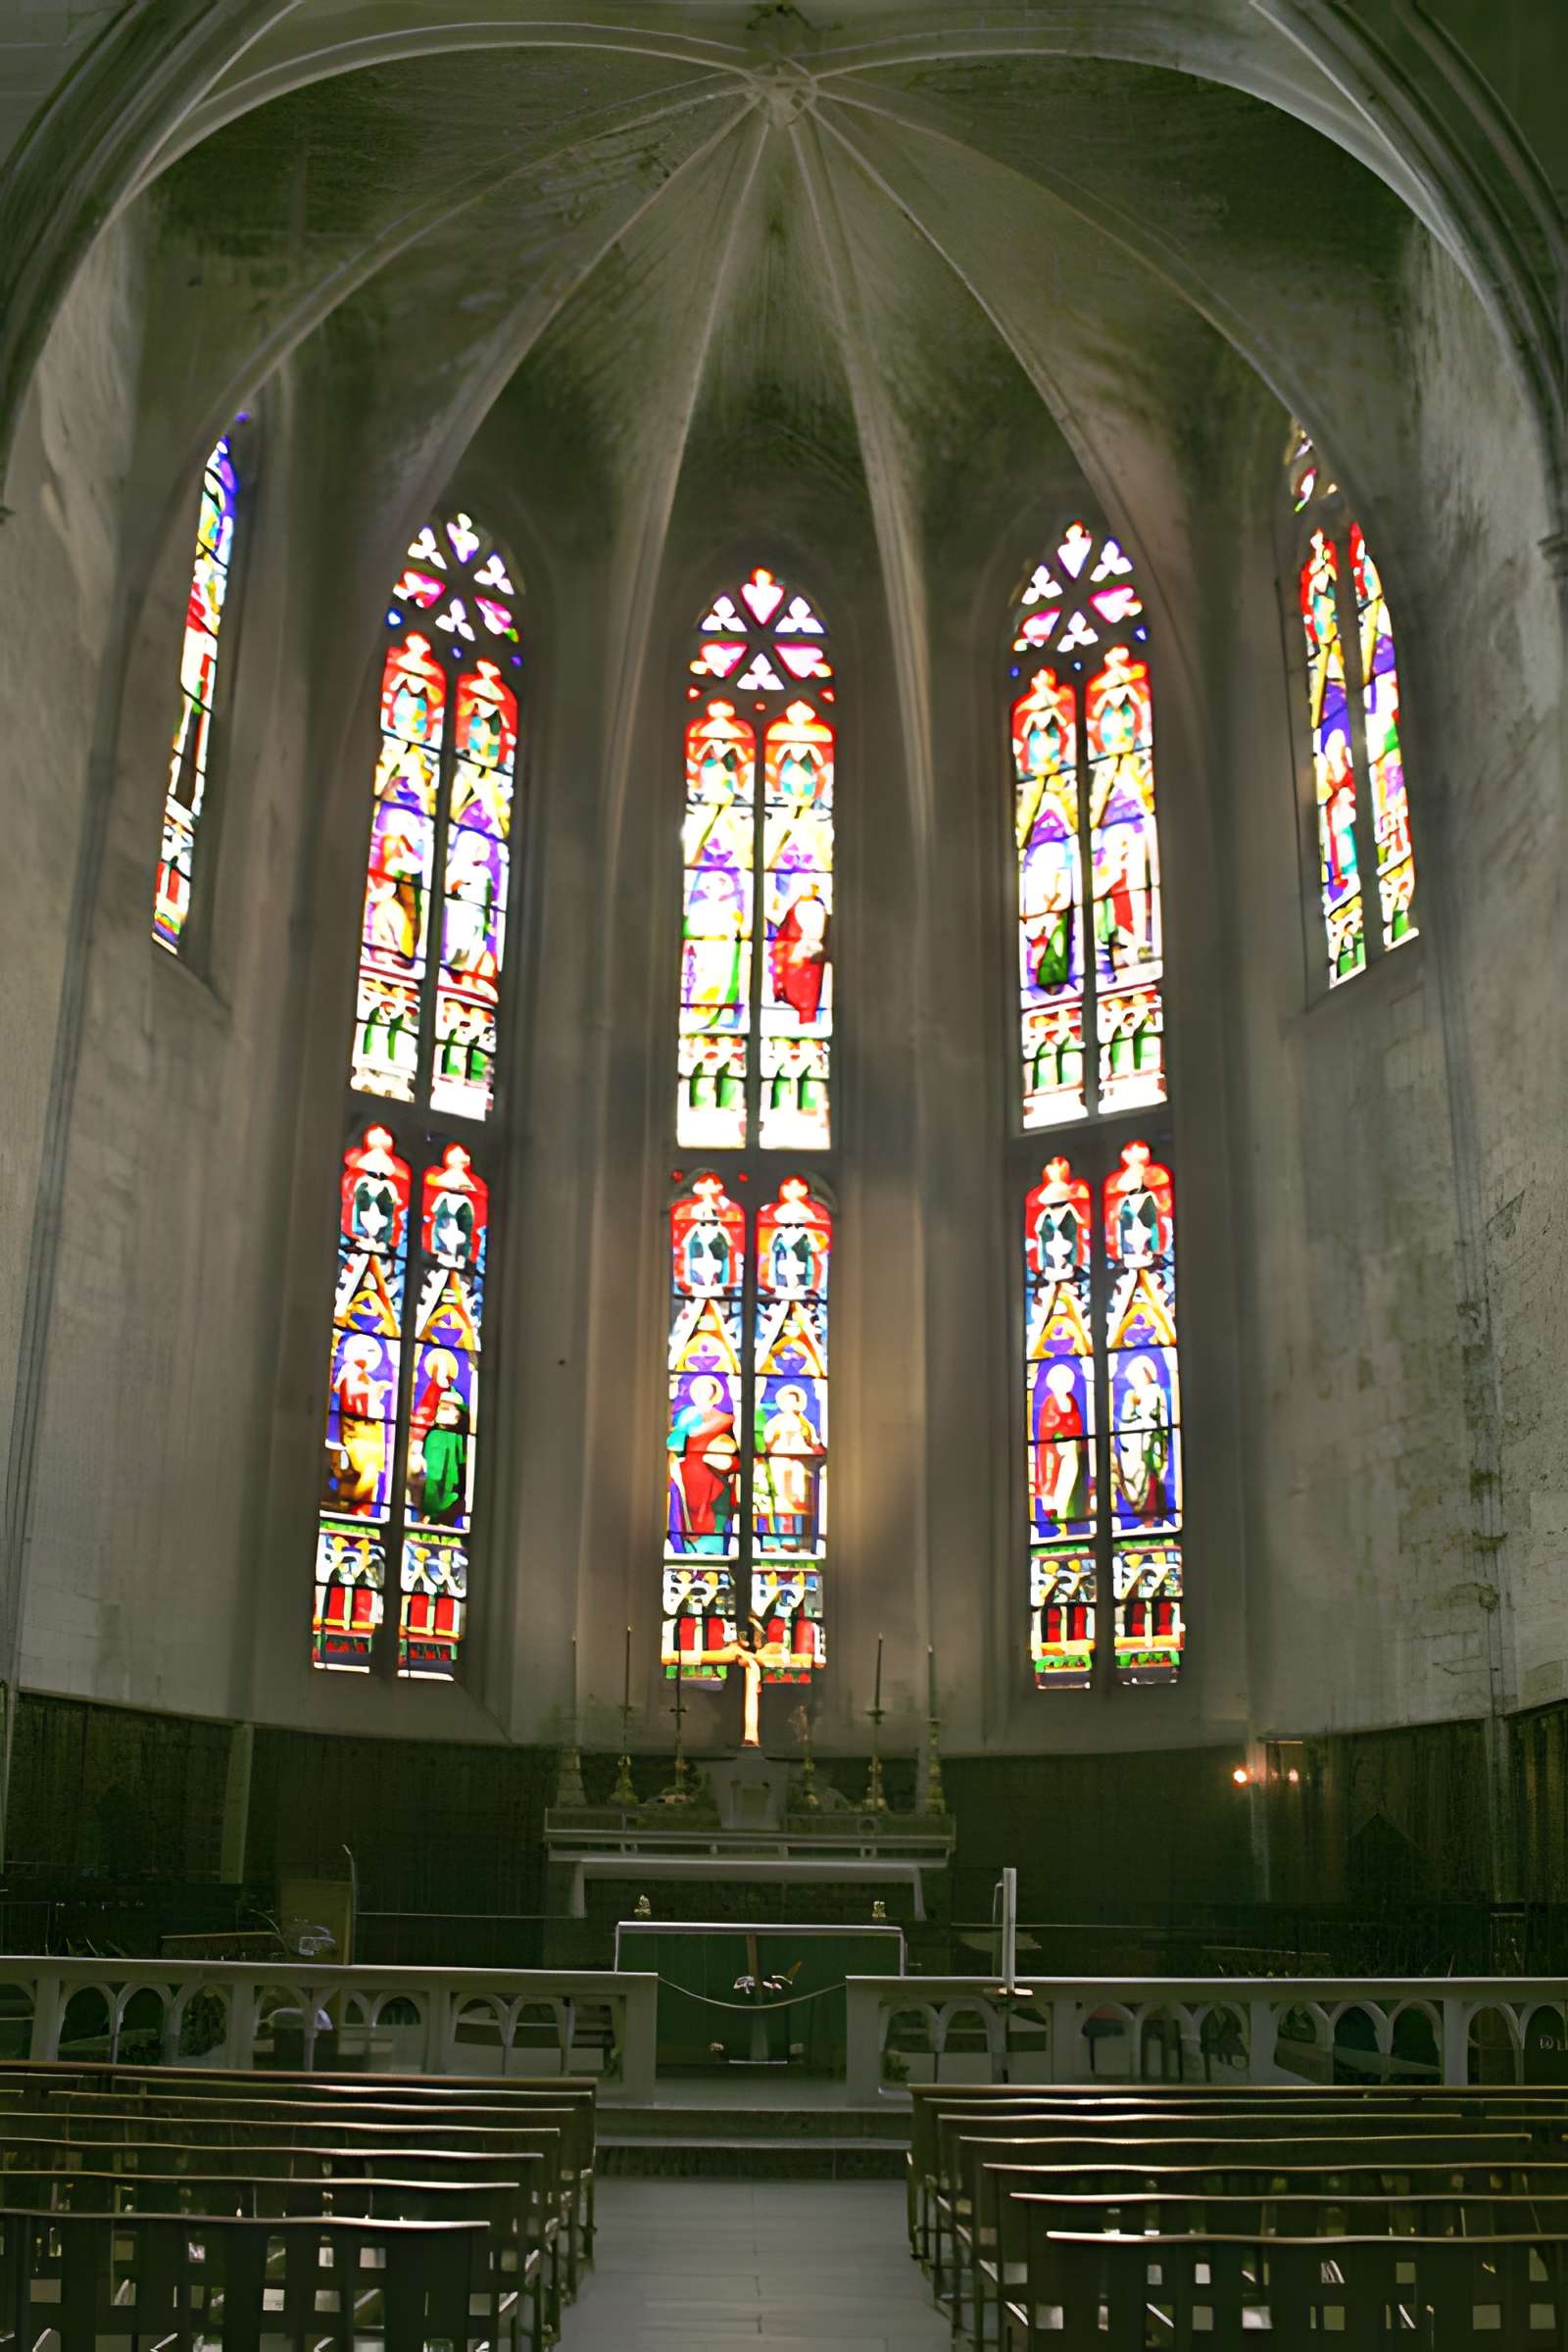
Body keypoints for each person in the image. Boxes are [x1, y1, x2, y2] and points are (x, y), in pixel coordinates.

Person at [667, 1374, 739, 1550]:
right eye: (699, 1390)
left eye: (707, 1390)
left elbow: (733, 1447)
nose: (703, 1394)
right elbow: (673, 1444)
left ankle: (715, 1548)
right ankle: (687, 1547)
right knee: (687, 1509)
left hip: (714, 1473)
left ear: (714, 1394)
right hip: (689, 1469)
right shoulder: (685, 1416)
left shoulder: (725, 1419)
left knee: (716, 1511)